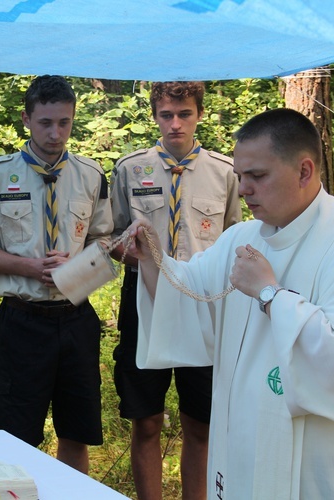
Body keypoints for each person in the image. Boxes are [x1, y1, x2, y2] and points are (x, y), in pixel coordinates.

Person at [127, 108, 334, 499]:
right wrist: (152, 257)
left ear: (305, 171)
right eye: (240, 176)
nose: (243, 190)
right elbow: (190, 296)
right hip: (244, 439)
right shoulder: (242, 237)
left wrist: (270, 295)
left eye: (257, 176)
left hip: (321, 460)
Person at [0, 75, 112, 473]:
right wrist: (29, 267)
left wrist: (78, 270)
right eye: (45, 122)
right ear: (26, 119)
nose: (55, 132)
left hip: (76, 319)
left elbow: (103, 240)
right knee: (17, 433)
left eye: (64, 122)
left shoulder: (91, 175)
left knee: (76, 430)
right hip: (23, 322)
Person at [109, 81, 241, 500]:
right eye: (166, 114)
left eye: (184, 113)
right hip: (145, 300)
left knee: (199, 421)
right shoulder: (130, 169)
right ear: (154, 116)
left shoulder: (225, 172)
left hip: (201, 305)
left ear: (199, 113)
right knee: (146, 419)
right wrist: (135, 255)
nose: (175, 123)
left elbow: (235, 239)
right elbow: (110, 238)